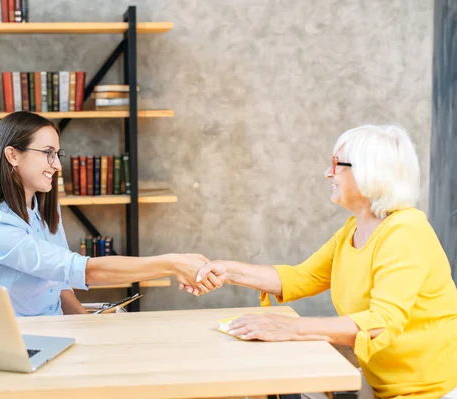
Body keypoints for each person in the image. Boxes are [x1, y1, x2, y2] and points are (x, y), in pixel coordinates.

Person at [190, 125, 457, 399]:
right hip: (382, 384)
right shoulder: (353, 229)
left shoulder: (405, 231)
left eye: (336, 164)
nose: (328, 173)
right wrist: (226, 271)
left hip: (430, 390)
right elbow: (301, 278)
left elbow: (380, 323)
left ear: (369, 171)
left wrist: (291, 328)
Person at [0, 111, 221, 317]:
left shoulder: (42, 207)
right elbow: (83, 271)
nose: (56, 165)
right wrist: (172, 264)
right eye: (48, 154)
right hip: (21, 341)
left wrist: (86, 324)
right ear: (12, 155)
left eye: (57, 155)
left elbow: (59, 282)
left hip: (55, 329)